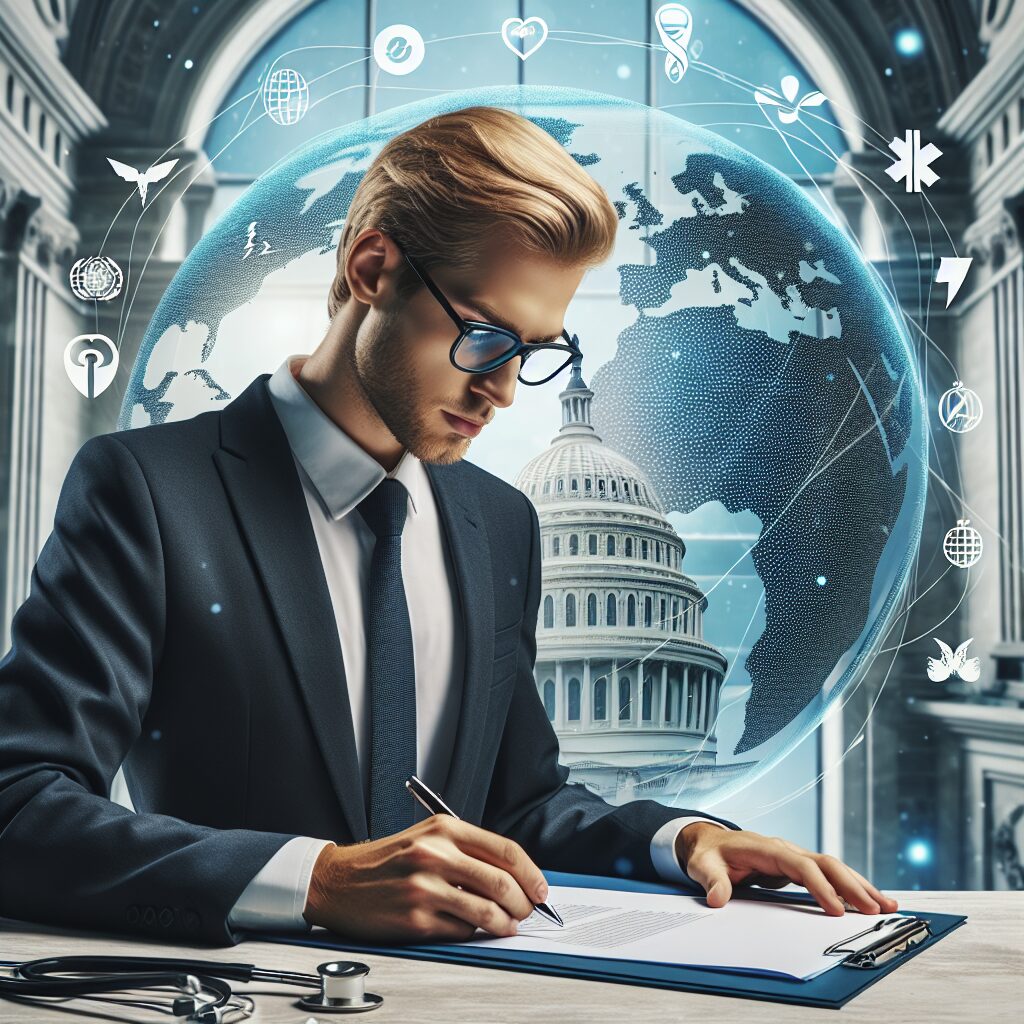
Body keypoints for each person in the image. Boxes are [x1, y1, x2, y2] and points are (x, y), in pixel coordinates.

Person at [0, 106, 896, 947]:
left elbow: (517, 803)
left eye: (532, 354)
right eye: (484, 337)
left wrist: (683, 837)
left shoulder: (499, 522)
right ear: (372, 269)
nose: (504, 391)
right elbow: (18, 802)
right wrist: (314, 879)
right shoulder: (151, 491)